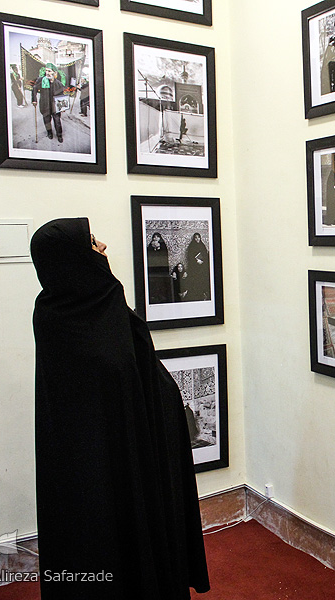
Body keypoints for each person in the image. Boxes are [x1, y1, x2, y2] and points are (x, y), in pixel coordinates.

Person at [30, 218, 210, 599]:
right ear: (70, 257)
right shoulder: (53, 315)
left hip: (136, 447)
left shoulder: (102, 301)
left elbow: (136, 371)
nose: (103, 248)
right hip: (92, 461)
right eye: (93, 243)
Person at [31, 63, 67, 143]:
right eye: (46, 70)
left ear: (54, 72)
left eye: (49, 71)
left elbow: (62, 96)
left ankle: (59, 135)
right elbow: (34, 89)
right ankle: (49, 132)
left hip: (55, 106)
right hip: (45, 105)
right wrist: (34, 99)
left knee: (57, 121)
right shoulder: (41, 80)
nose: (47, 72)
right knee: (47, 121)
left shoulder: (59, 84)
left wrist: (63, 107)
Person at [146, 232, 173, 304]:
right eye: (154, 237)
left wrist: (158, 248)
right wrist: (154, 249)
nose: (156, 238)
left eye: (157, 237)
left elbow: (164, 256)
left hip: (162, 269)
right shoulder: (150, 246)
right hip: (153, 269)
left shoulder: (163, 246)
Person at [185, 232, 211, 302]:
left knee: (201, 280)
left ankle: (202, 294)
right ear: (194, 238)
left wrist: (202, 261)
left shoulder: (202, 246)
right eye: (196, 238)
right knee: (195, 281)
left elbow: (206, 255)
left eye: (198, 237)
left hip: (201, 267)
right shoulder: (191, 246)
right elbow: (189, 257)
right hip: (194, 267)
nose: (197, 239)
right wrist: (196, 261)